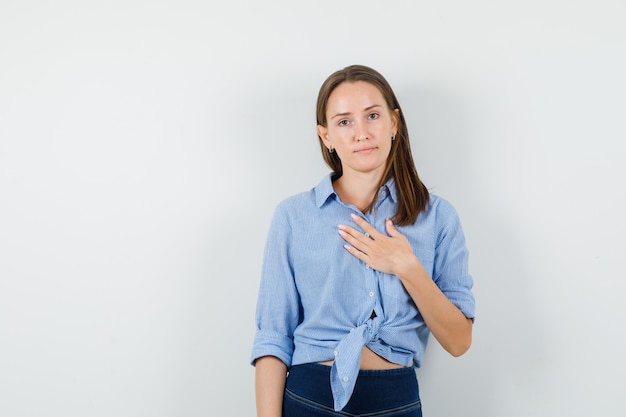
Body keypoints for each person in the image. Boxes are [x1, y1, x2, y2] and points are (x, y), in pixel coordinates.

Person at [250, 64, 475, 417]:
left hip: (396, 401)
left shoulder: (438, 217)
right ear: (326, 136)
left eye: (372, 115)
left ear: (394, 123)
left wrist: (406, 266)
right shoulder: (292, 217)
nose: (361, 133)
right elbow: (273, 337)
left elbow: (459, 341)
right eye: (344, 121)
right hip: (310, 397)